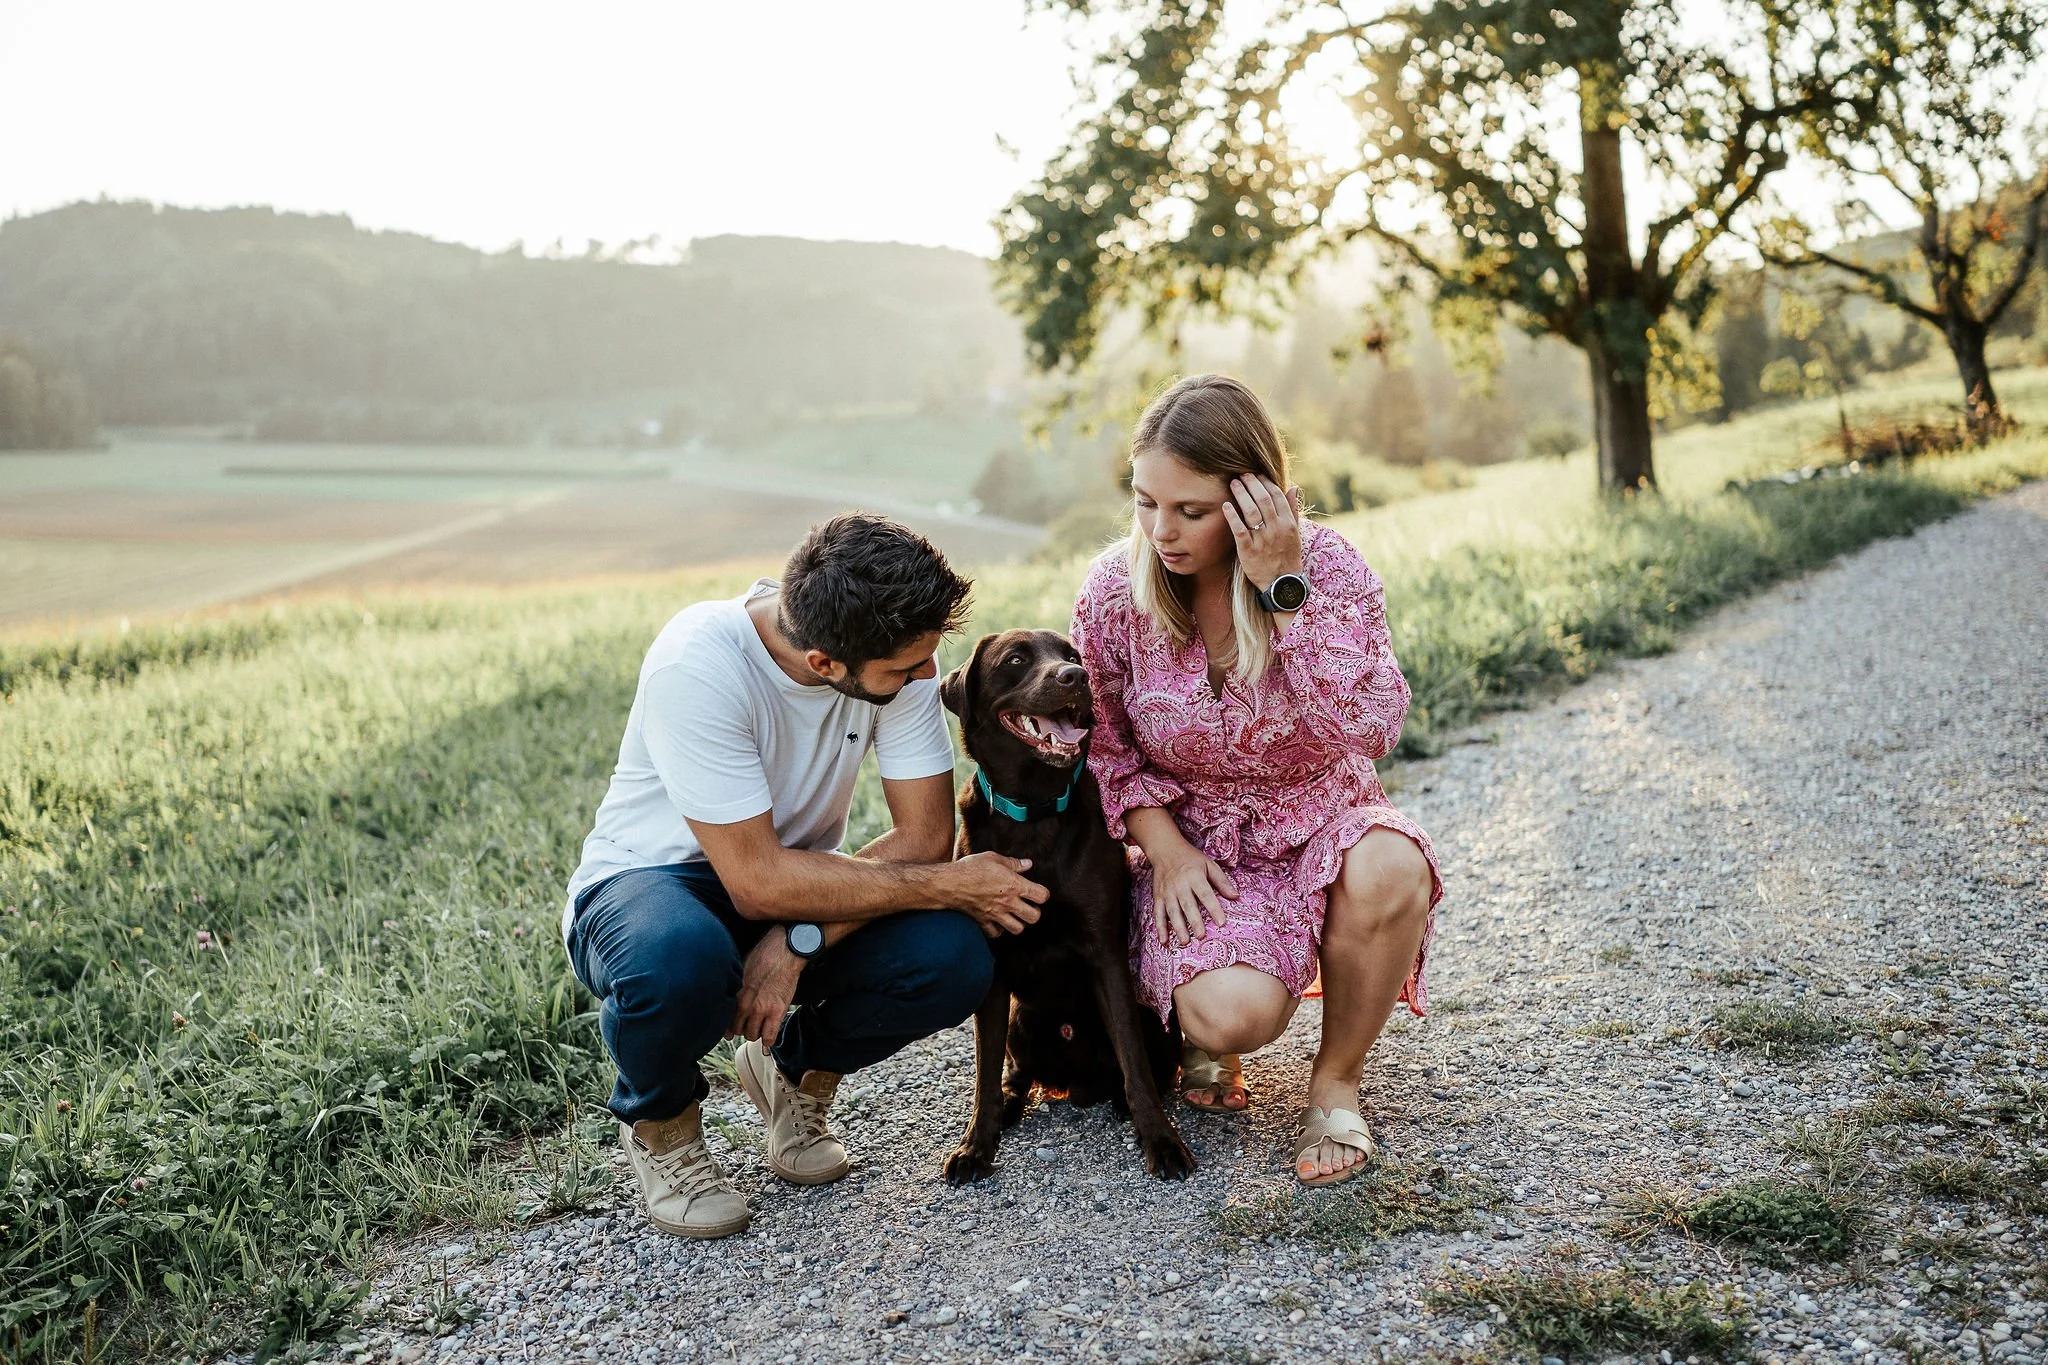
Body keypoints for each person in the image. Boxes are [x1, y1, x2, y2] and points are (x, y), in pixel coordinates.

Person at [563, 513, 1047, 1238]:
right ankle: (662, 1128)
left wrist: (798, 941)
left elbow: (925, 837)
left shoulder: (899, 654)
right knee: (677, 962)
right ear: (826, 662)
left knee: (956, 957)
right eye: (905, 669)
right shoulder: (697, 662)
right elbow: (756, 877)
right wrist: (948, 883)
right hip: (652, 887)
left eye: (926, 658)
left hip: (791, 887)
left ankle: (794, 1073)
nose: (925, 676)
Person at [1069, 374, 1443, 1187]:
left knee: (1393, 864)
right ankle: (1210, 1021)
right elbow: (1102, 748)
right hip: (1198, 842)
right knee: (1230, 1015)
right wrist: (1163, 851)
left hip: (1322, 819)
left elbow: (1371, 724)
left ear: (1252, 498)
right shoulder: (1111, 592)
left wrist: (1284, 591)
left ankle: (1336, 1081)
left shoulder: (1329, 565)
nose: (1161, 531)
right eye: (1145, 503)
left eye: (1190, 511)